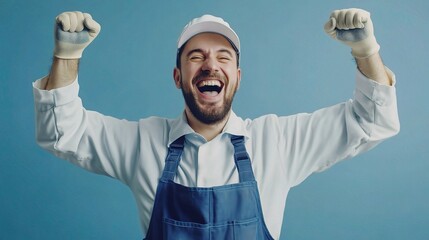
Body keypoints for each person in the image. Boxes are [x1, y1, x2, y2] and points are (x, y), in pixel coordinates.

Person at [33, 8, 399, 240]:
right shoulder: (142, 142)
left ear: (237, 77)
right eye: (197, 56)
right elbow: (64, 131)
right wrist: (67, 55)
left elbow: (372, 120)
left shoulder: (278, 141)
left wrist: (367, 52)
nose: (211, 65)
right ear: (178, 76)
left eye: (223, 57)